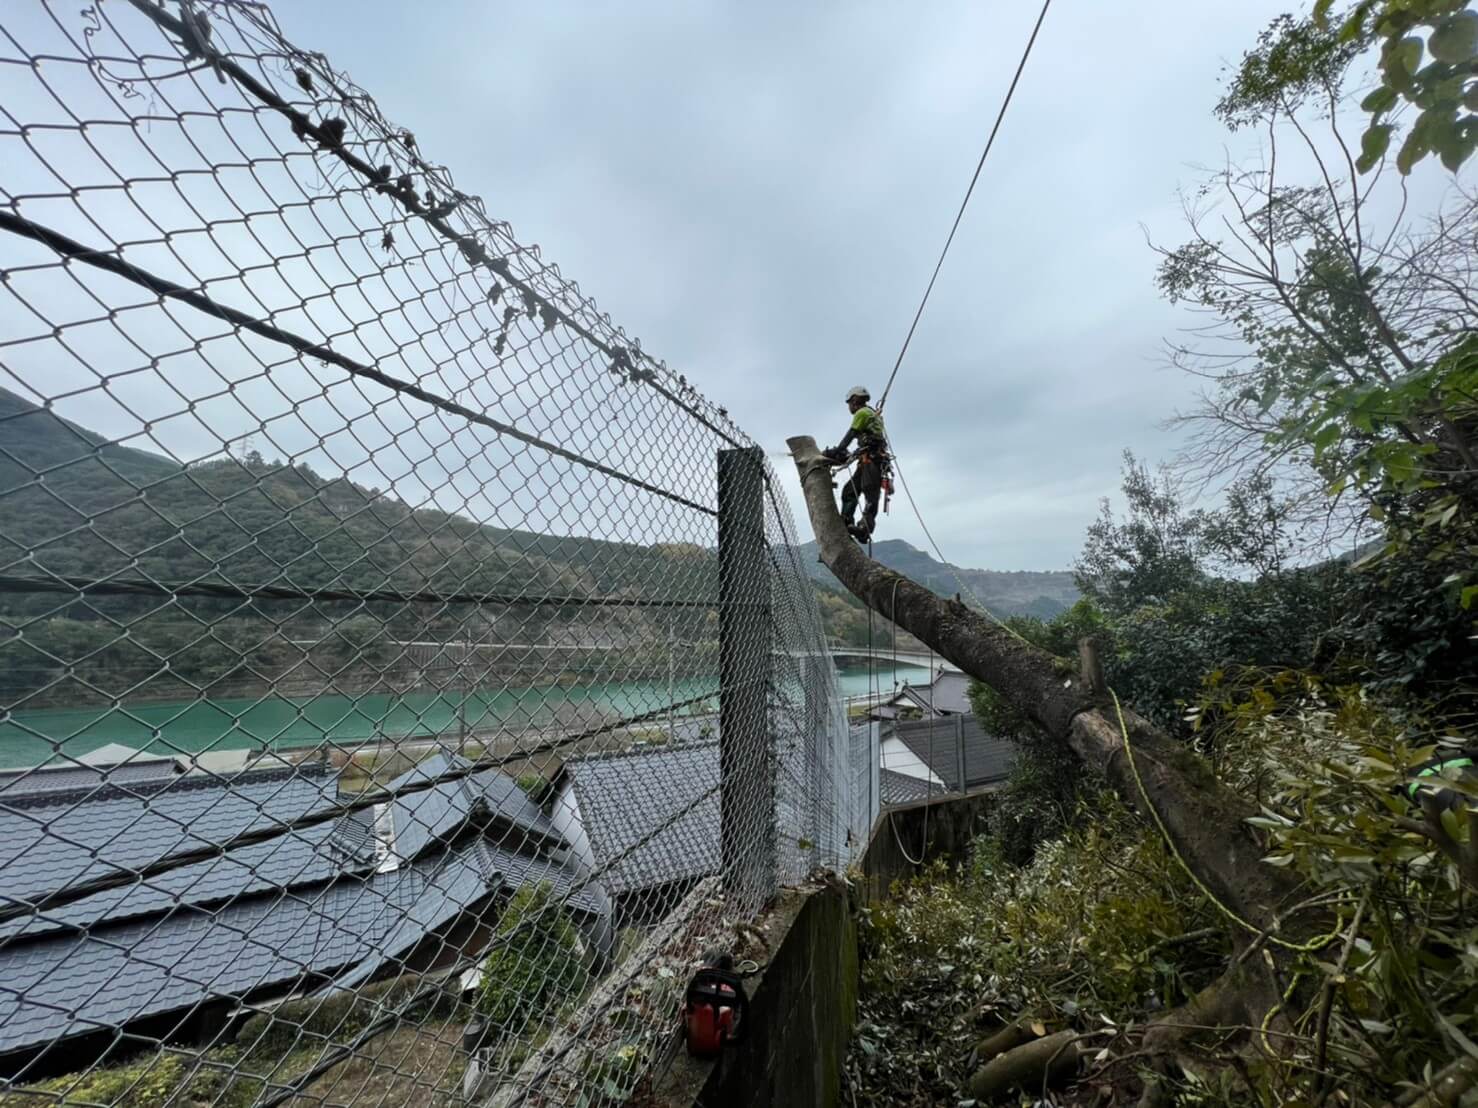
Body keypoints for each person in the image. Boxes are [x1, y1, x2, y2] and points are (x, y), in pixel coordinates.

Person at [824, 385, 890, 542]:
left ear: (854, 401)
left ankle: (864, 528)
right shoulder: (873, 414)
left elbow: (850, 435)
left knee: (870, 494)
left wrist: (836, 451)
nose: (849, 407)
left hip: (872, 460)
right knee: (849, 491)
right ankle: (846, 523)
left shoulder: (862, 413)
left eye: (849, 403)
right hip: (867, 459)